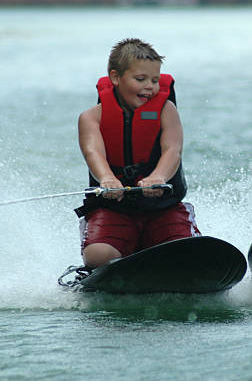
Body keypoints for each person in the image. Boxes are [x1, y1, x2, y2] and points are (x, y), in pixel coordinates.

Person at [75, 38, 200, 268]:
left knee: (187, 252)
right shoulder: (91, 118)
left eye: (154, 80)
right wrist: (107, 179)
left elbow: (173, 149)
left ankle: (164, 248)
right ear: (115, 78)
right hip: (113, 209)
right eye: (140, 79)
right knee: (98, 257)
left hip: (163, 209)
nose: (150, 87)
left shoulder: (166, 110)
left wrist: (158, 177)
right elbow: (92, 151)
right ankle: (113, 252)